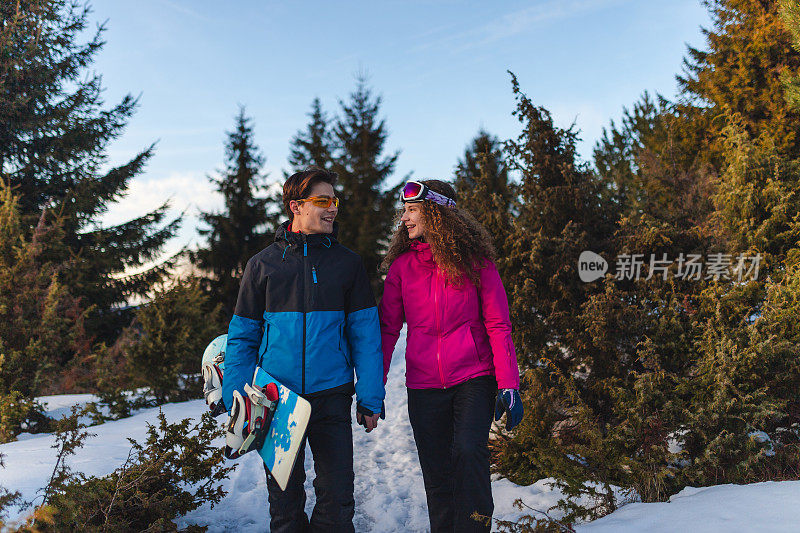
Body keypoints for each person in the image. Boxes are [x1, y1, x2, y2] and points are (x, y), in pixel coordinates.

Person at [222, 168, 385, 533]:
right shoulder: (261, 265)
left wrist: (371, 396)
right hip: (276, 400)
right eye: (322, 201)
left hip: (332, 396)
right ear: (296, 206)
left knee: (337, 501)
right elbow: (243, 335)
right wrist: (235, 394)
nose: (332, 209)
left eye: (334, 201)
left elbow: (366, 336)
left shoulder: (348, 263)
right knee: (284, 505)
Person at [379, 179, 524, 533]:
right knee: (437, 471)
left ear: (438, 213)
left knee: (468, 452)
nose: (404, 218)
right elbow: (387, 329)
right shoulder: (401, 269)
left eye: (412, 210)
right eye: (404, 210)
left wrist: (508, 383)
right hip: (424, 384)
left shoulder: (477, 264)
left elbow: (498, 325)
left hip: (472, 377)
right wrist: (373, 385)